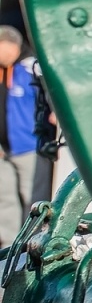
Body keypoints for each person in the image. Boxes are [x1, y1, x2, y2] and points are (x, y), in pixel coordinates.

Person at [0, 26, 40, 248]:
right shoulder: (2, 70)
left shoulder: (31, 68)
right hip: (5, 150)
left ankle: (32, 245)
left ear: (10, 45)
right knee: (5, 199)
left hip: (29, 146)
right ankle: (9, 248)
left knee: (32, 199)